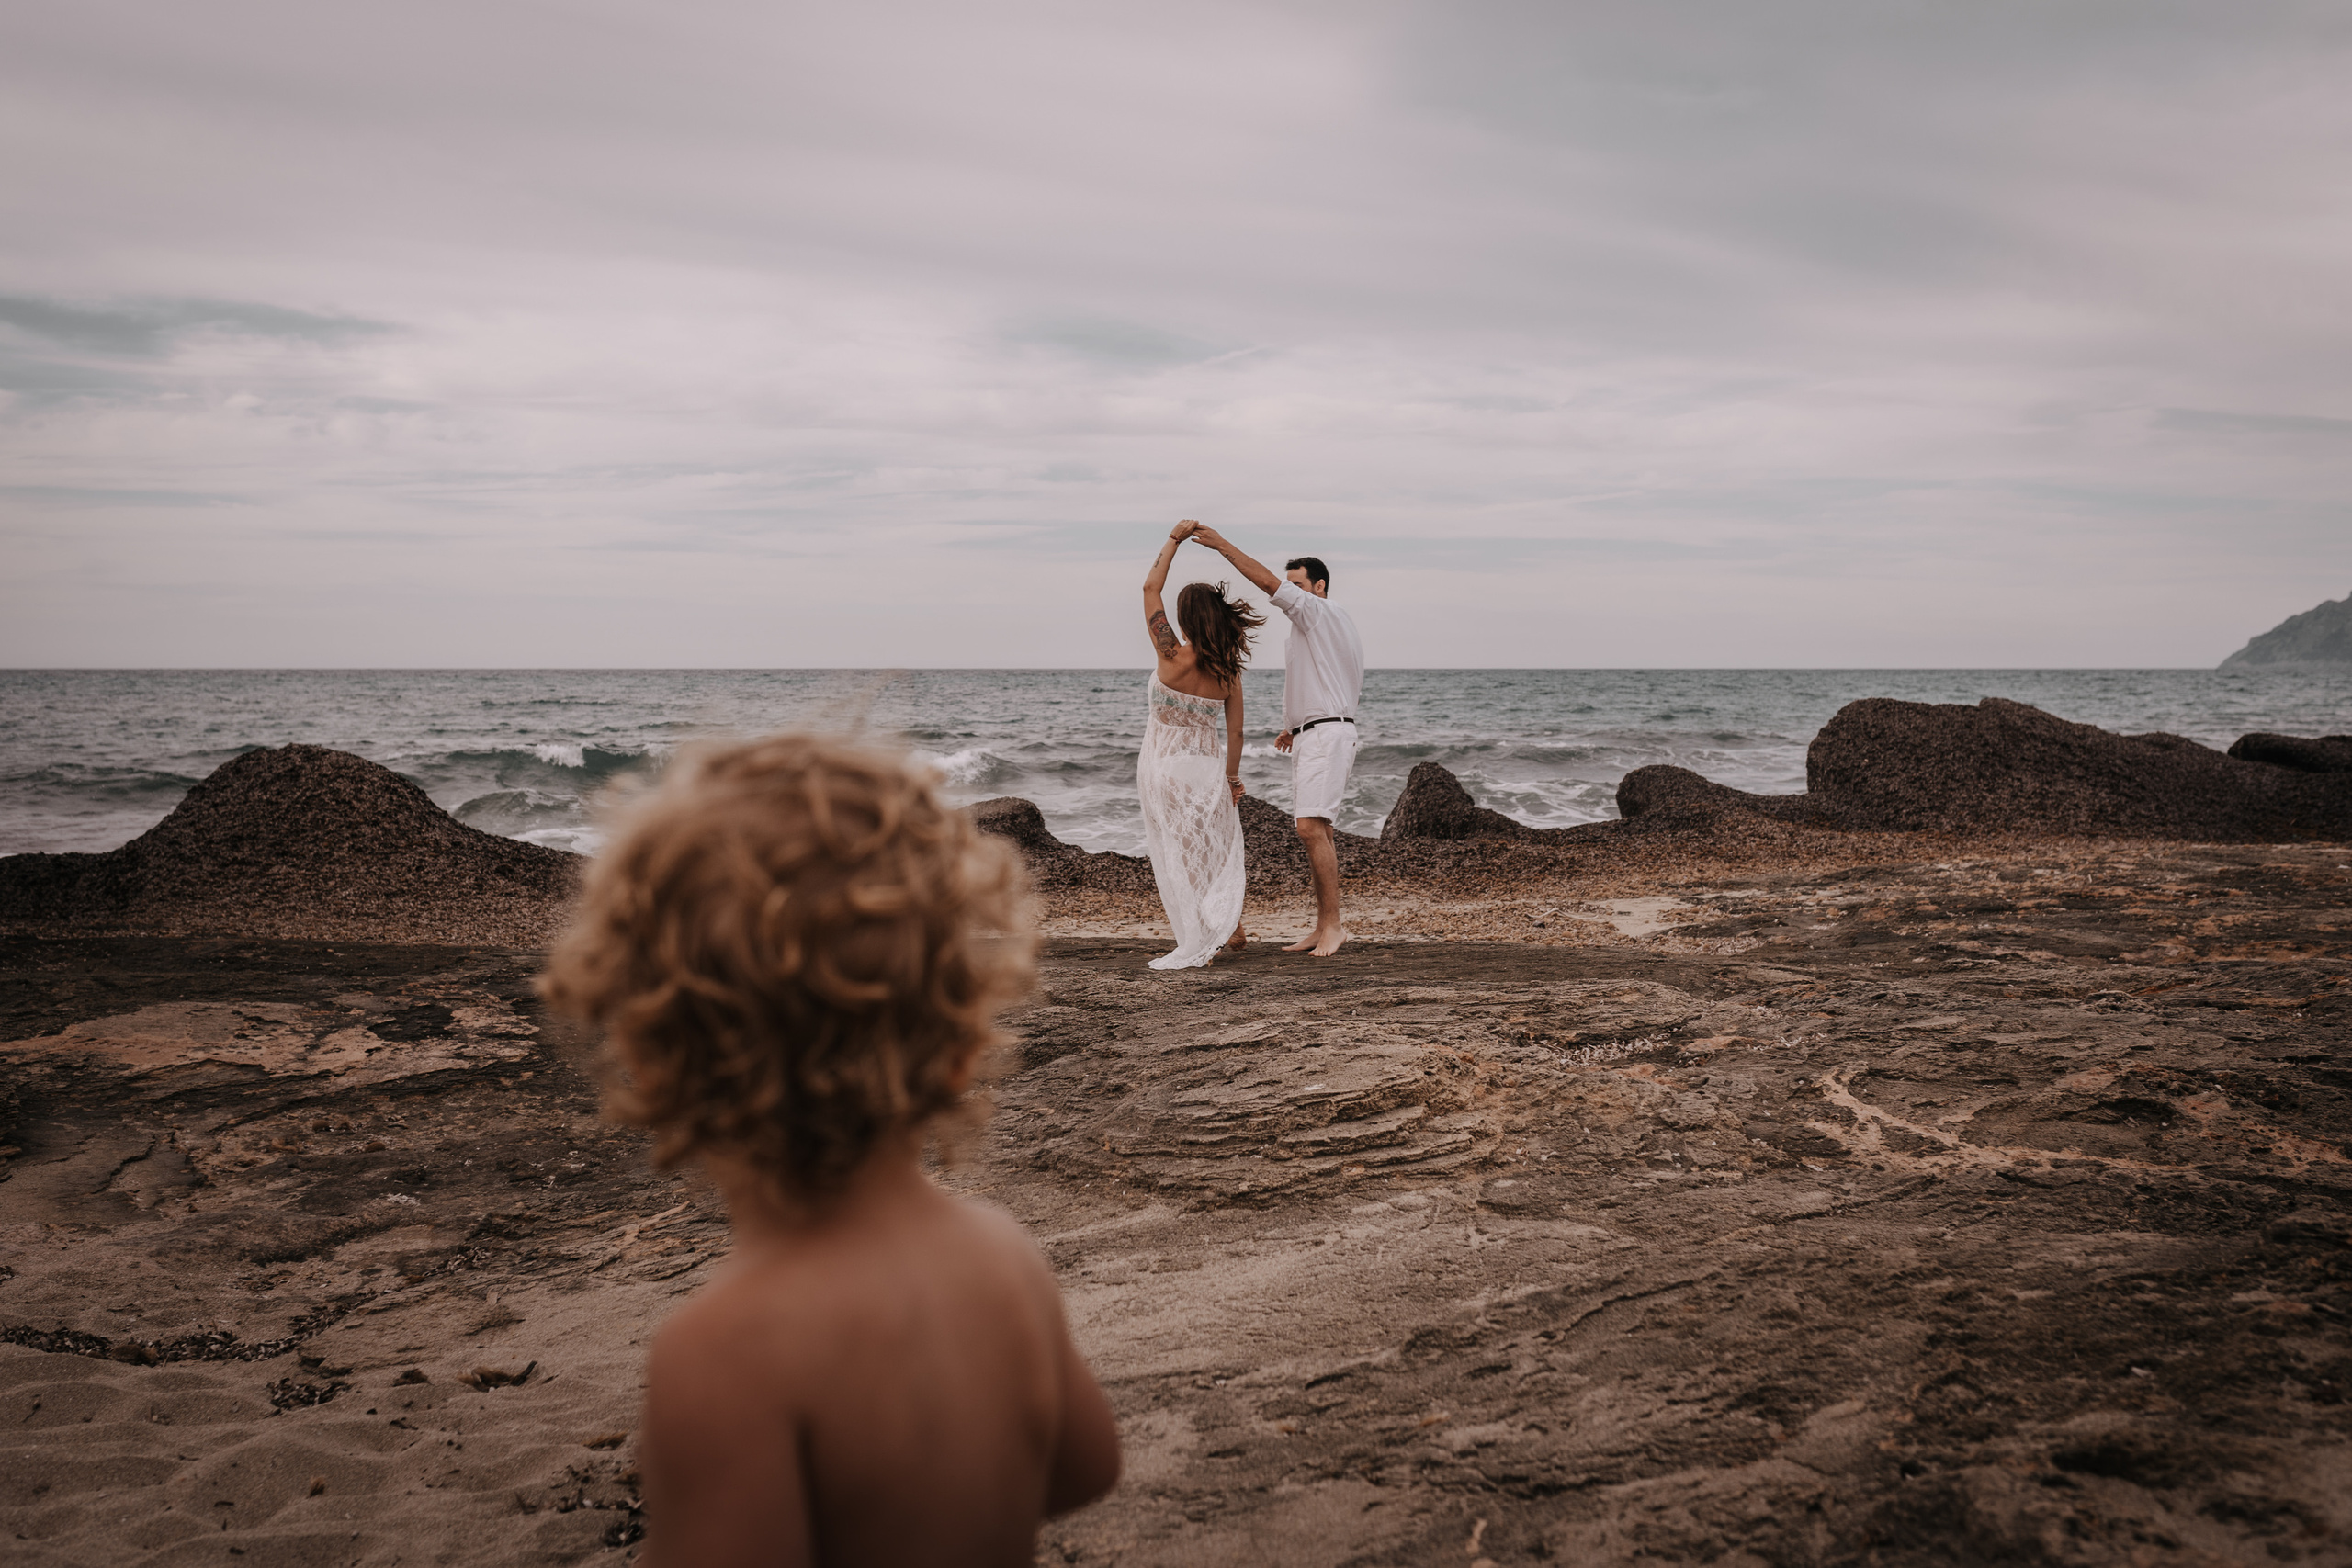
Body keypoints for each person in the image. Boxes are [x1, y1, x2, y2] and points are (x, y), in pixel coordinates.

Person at [540, 737, 1121, 1567]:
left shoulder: (724, 1352)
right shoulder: (1002, 1255)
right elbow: (1084, 1469)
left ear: (656, 1061)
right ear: (957, 1043)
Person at [1183, 525, 1363, 956]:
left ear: (1318, 587)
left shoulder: (1321, 612)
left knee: (1309, 828)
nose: (1290, 592)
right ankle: (1323, 927)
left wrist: (1221, 545)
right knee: (1318, 829)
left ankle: (1334, 927)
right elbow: (1324, 681)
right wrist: (1293, 724)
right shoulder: (1311, 628)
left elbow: (1267, 583)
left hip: (1327, 734)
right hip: (1315, 732)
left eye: (1298, 585)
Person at [1138, 521, 1262, 968]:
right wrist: (1231, 778)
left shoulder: (1170, 654)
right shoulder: (1228, 673)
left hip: (1165, 765)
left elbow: (1151, 586)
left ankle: (1201, 938)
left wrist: (1173, 539)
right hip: (1207, 766)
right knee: (1211, 847)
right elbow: (1237, 733)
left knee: (1180, 851)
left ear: (1185, 618)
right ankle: (1228, 923)